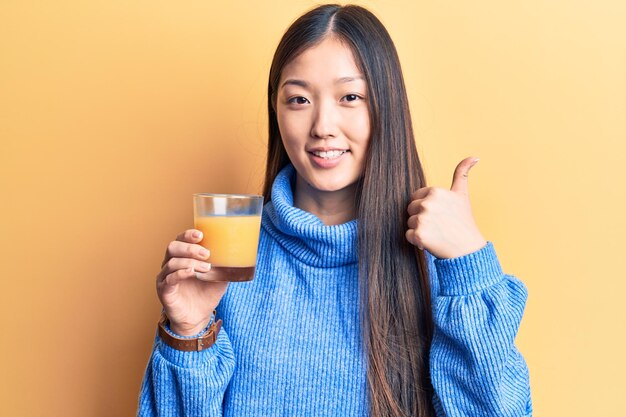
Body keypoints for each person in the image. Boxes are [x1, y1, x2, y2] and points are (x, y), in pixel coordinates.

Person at [138, 4, 532, 417]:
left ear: (386, 108)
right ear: (276, 111)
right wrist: (188, 332)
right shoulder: (226, 260)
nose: (323, 125)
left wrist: (470, 267)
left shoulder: (442, 266)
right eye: (299, 99)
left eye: (350, 97)